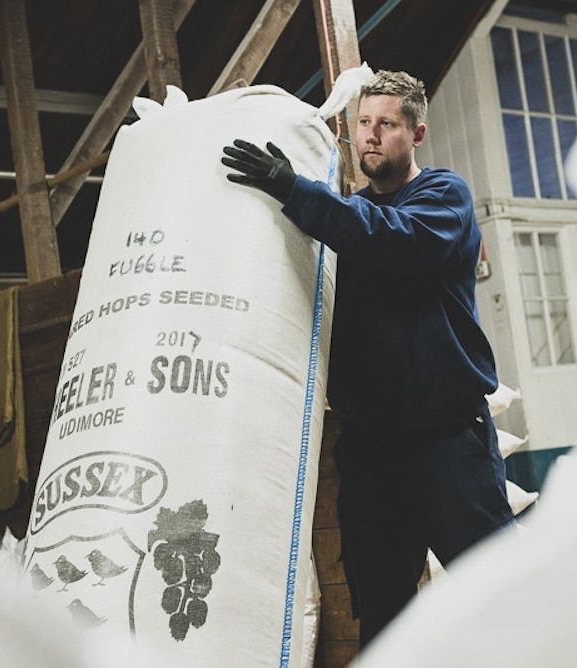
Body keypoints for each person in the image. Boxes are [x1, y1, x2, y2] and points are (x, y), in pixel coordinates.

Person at [221, 70, 515, 647]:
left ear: (417, 133)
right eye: (361, 124)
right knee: (382, 614)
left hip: (447, 442)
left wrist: (296, 191)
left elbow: (392, 239)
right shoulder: (342, 219)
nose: (370, 136)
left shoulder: (442, 197)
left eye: (386, 124)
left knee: (499, 594)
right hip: (371, 451)